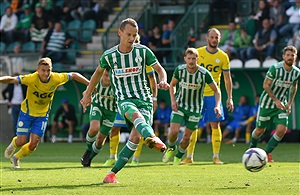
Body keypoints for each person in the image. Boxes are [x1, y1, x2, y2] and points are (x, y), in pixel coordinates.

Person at [80, 18, 169, 184]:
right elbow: (97, 74)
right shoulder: (110, 55)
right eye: (128, 34)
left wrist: (162, 79)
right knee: (133, 114)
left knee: (135, 138)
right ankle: (151, 136)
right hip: (124, 99)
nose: (132, 38)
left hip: (145, 100)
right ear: (120, 33)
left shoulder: (143, 52)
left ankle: (111, 174)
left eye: (134, 35)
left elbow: (159, 69)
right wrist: (87, 94)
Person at [1, 57, 90, 168]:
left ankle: (16, 158)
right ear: (37, 70)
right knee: (21, 141)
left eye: (48, 70)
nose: (46, 73)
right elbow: (11, 79)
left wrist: (90, 84)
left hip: (42, 116)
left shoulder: (56, 78)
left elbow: (74, 75)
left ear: (51, 69)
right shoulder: (31, 78)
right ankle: (12, 145)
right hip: (27, 113)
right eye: (43, 70)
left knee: (33, 145)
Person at [103, 33, 159, 167]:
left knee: (137, 128)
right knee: (115, 127)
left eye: (136, 40)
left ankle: (135, 158)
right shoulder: (116, 57)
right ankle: (112, 156)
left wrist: (154, 98)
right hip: (123, 99)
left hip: (140, 99)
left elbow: (152, 80)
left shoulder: (144, 58)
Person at [181, 28, 234, 165]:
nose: (214, 40)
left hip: (212, 95)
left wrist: (230, 97)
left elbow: (227, 79)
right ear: (207, 38)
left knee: (215, 125)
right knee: (192, 125)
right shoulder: (198, 53)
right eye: (212, 37)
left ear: (219, 39)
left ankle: (216, 157)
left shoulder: (223, 56)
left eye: (216, 37)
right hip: (196, 95)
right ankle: (189, 157)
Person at [162, 47, 222, 165]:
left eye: (193, 59)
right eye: (189, 58)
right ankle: (171, 148)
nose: (191, 61)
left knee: (186, 138)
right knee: (173, 132)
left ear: (197, 59)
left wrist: (217, 105)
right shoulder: (180, 70)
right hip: (180, 105)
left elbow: (217, 90)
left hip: (195, 109)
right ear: (185, 59)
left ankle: (178, 156)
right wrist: (173, 100)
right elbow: (172, 85)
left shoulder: (204, 73)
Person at [249, 45, 299, 162]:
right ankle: (251, 149)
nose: (290, 57)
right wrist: (275, 100)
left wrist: (290, 102)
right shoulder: (275, 69)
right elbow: (265, 85)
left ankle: (266, 154)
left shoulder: (296, 72)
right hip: (267, 103)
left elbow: (294, 86)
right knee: (260, 130)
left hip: (282, 104)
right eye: (287, 55)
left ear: (295, 57)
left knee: (282, 130)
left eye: (292, 55)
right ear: (283, 56)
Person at [80, 69, 118, 167]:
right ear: (102, 74)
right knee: (94, 128)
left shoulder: (117, 85)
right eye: (106, 75)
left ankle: (89, 158)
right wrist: (86, 98)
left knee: (100, 139)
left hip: (111, 112)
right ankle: (88, 150)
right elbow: (86, 92)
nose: (108, 78)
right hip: (98, 105)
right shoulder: (96, 80)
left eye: (110, 76)